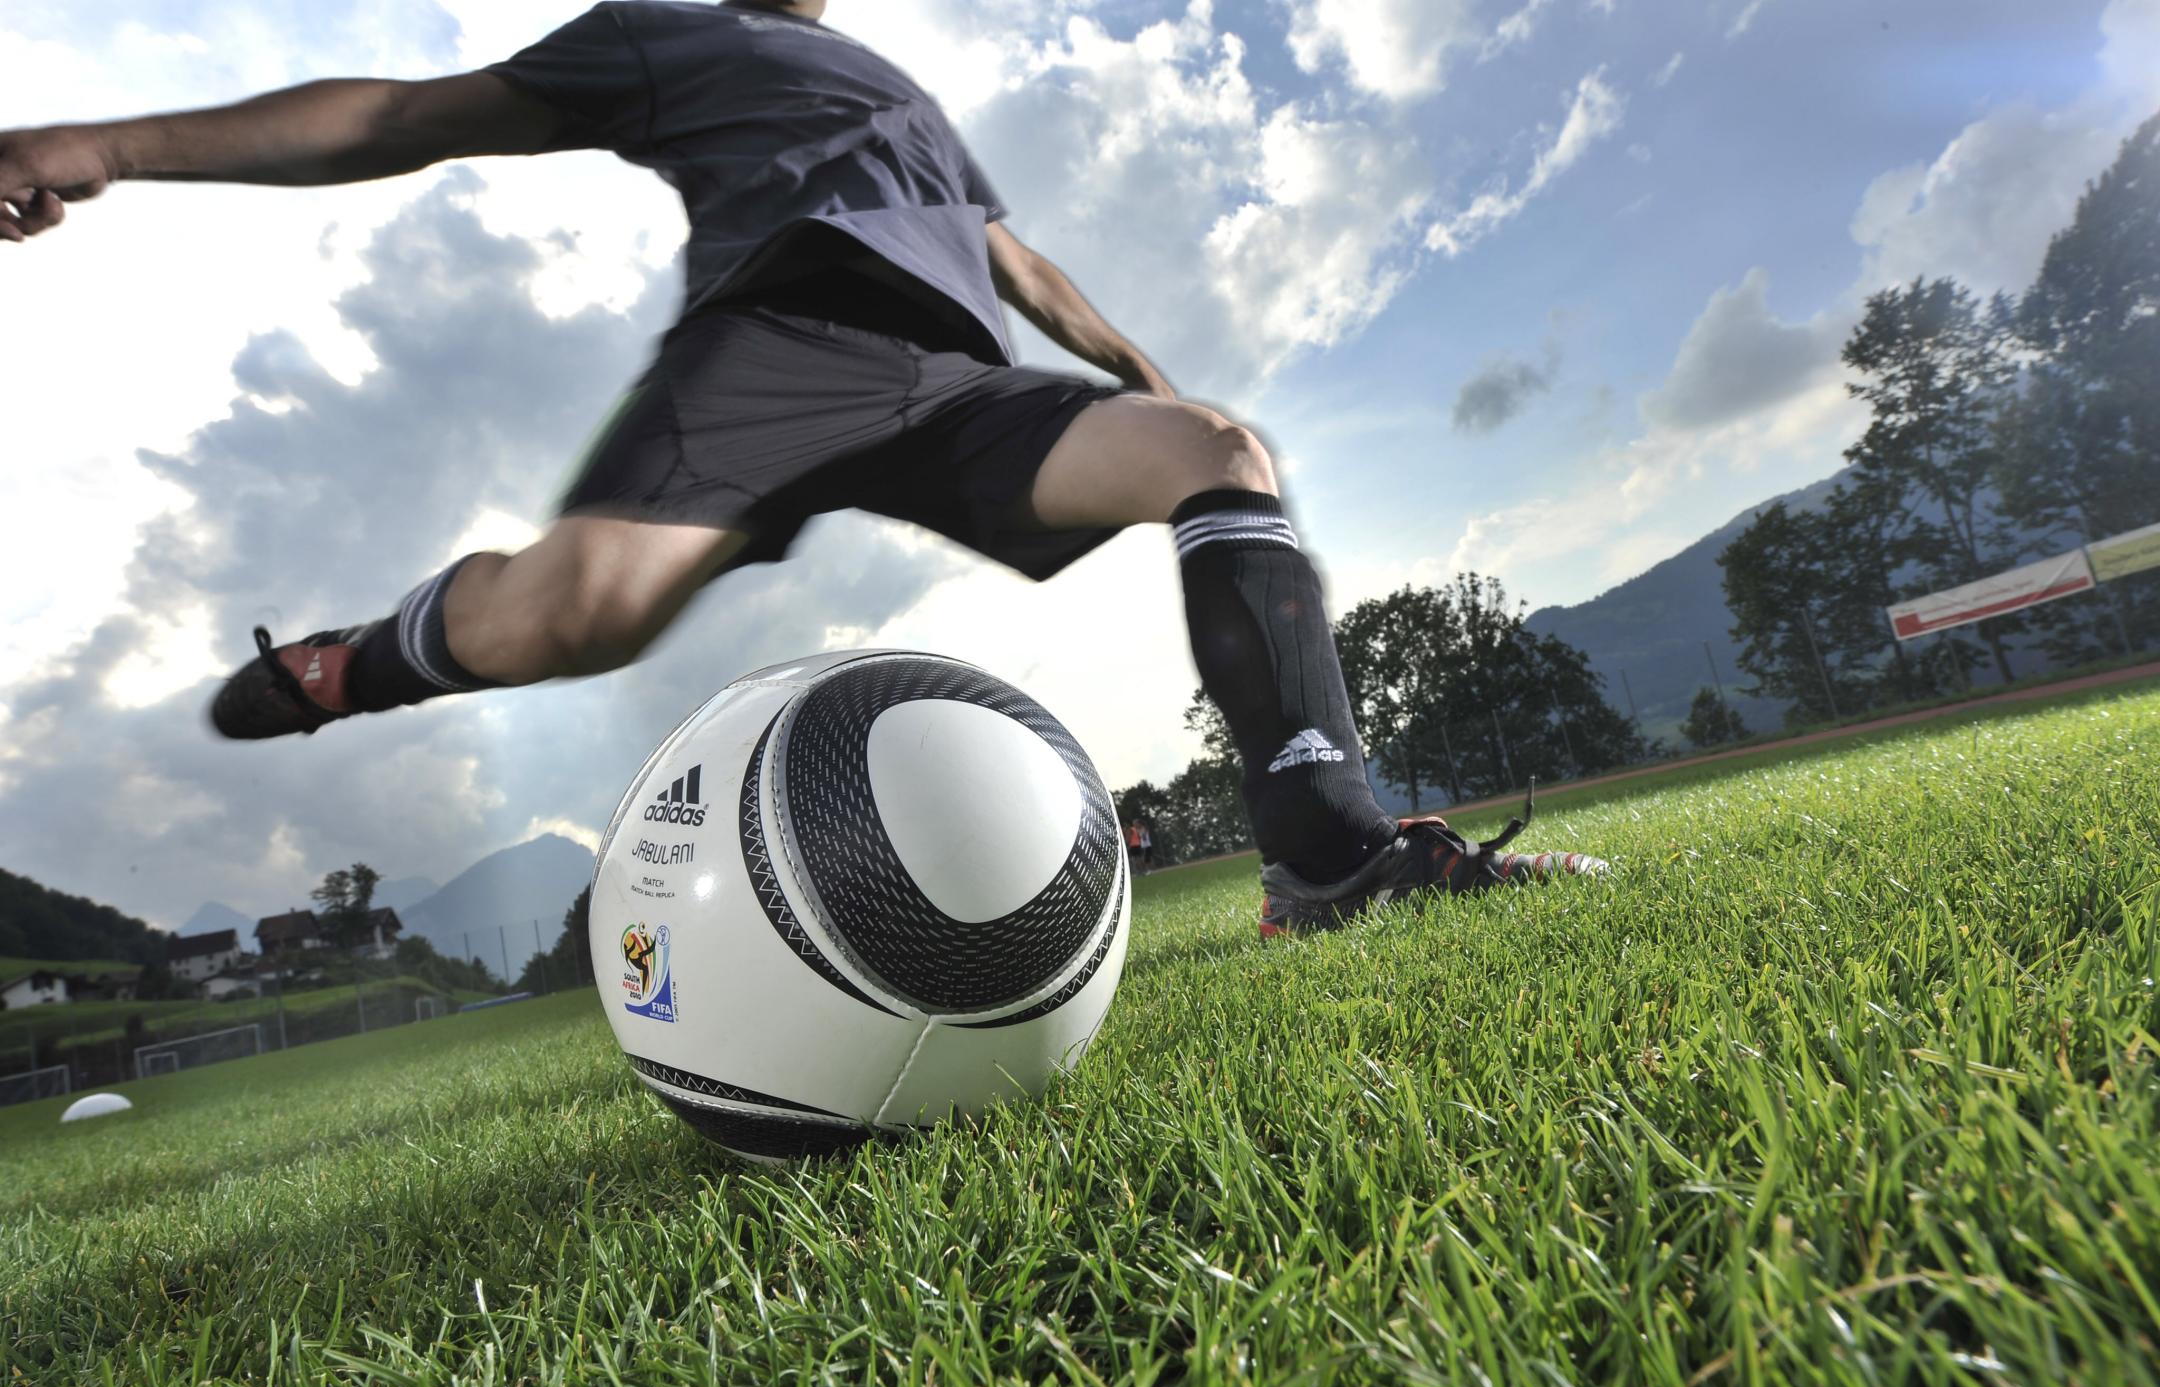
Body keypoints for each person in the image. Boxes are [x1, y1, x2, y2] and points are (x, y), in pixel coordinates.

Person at [0, 0, 1607, 936]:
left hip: (949, 385)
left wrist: (1150, 384)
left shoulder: (912, 96)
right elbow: (407, 114)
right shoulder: (664, 38)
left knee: (1220, 453)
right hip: (767, 357)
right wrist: (117, 147)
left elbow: (1019, 263)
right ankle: (365, 657)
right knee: (583, 618)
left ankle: (1333, 858)